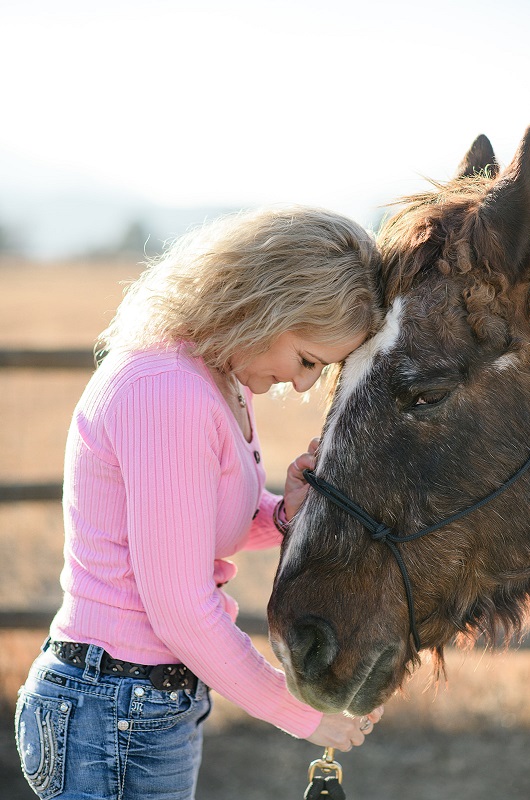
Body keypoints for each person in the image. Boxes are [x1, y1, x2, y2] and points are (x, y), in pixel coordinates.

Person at [15, 205, 384, 800]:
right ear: (269, 307)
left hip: (140, 702)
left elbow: (198, 527)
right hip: (109, 710)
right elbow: (181, 608)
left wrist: (283, 512)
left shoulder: (217, 377)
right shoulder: (167, 390)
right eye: (308, 360)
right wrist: (300, 709)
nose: (305, 385)